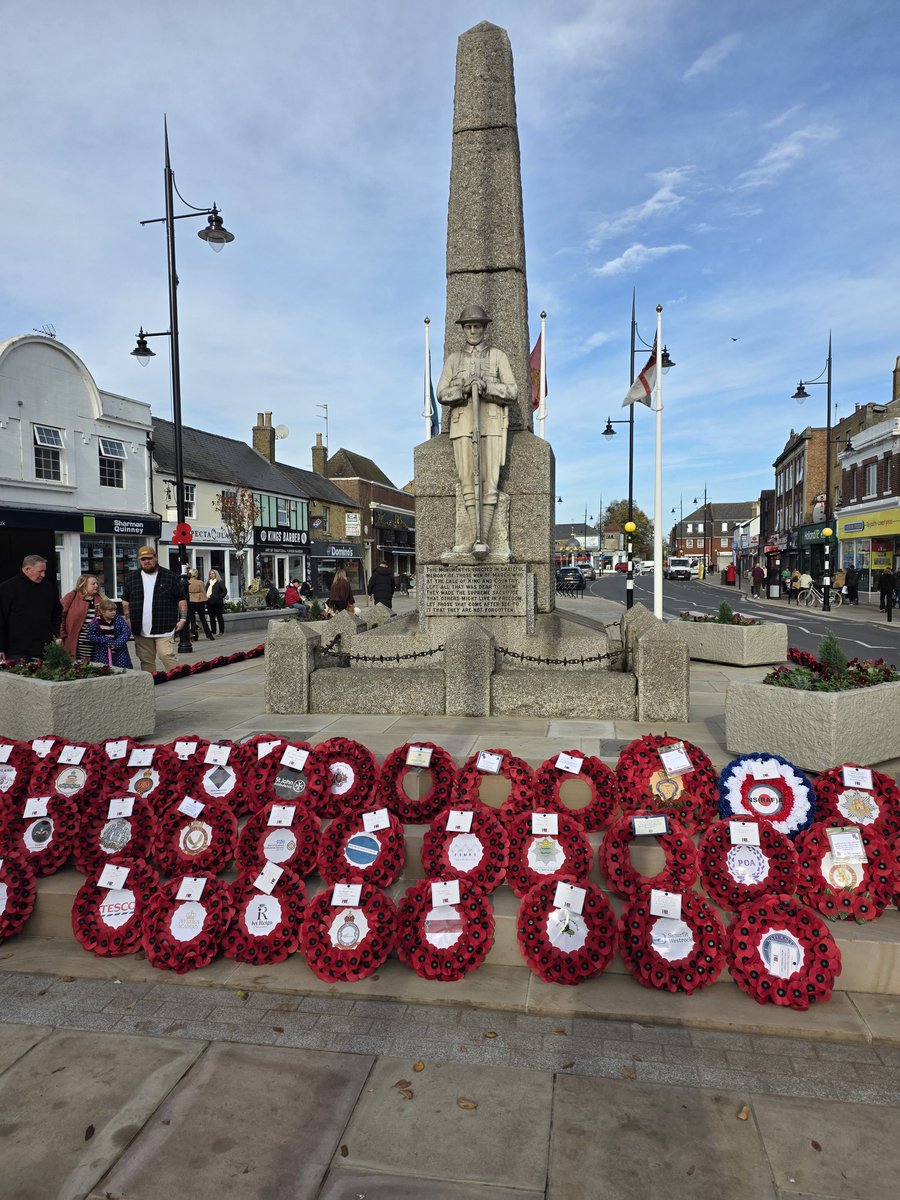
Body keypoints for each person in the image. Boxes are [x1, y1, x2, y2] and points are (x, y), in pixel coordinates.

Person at [437, 304, 518, 556]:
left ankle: (487, 540)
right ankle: (473, 538)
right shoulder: (454, 359)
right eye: (468, 326)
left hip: (492, 424)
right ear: (463, 329)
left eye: (477, 326)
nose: (473, 330)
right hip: (462, 425)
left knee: (489, 481)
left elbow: (512, 391)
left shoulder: (497, 356)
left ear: (484, 328)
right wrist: (461, 390)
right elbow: (441, 393)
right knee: (467, 482)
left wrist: (487, 388)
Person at [120, 546, 188, 673]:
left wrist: (183, 619)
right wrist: (128, 618)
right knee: (146, 659)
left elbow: (181, 599)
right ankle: (152, 682)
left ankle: (177, 678)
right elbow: (125, 599)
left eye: (149, 558)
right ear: (139, 561)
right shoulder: (131, 578)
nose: (146, 561)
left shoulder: (170, 576)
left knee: (166, 655)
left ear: (155, 558)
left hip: (164, 626)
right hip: (141, 628)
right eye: (143, 559)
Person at [0, 554, 62, 664]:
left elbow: (57, 612)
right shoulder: (7, 588)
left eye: (44, 571)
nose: (43, 575)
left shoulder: (48, 587)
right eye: (40, 571)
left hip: (45, 648)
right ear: (27, 569)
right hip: (17, 650)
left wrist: (54, 632)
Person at [59, 574, 100, 660]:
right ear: (83, 585)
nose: (96, 586)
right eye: (93, 584)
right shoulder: (72, 596)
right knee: (78, 666)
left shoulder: (100, 598)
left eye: (97, 583)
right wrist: (63, 634)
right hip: (76, 642)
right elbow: (59, 615)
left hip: (95, 642)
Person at [86, 597, 133, 668]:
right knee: (105, 669)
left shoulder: (118, 619)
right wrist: (104, 640)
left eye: (114, 610)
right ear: (102, 611)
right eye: (111, 610)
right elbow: (90, 635)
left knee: (122, 669)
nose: (114, 612)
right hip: (103, 651)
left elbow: (126, 632)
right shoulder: (95, 622)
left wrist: (116, 643)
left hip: (120, 651)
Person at [187, 568, 214, 641]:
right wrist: (205, 599)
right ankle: (209, 634)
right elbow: (203, 591)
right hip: (199, 600)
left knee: (192, 619)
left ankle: (194, 635)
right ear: (196, 575)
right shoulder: (200, 582)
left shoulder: (187, 582)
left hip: (190, 601)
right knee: (202, 618)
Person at [206, 569, 227, 634]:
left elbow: (224, 591)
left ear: (216, 574)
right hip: (210, 602)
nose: (211, 575)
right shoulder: (208, 583)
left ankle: (221, 631)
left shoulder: (219, 582)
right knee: (212, 617)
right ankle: (213, 631)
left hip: (218, 602)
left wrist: (219, 597)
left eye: (213, 574)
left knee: (219, 617)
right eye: (210, 574)